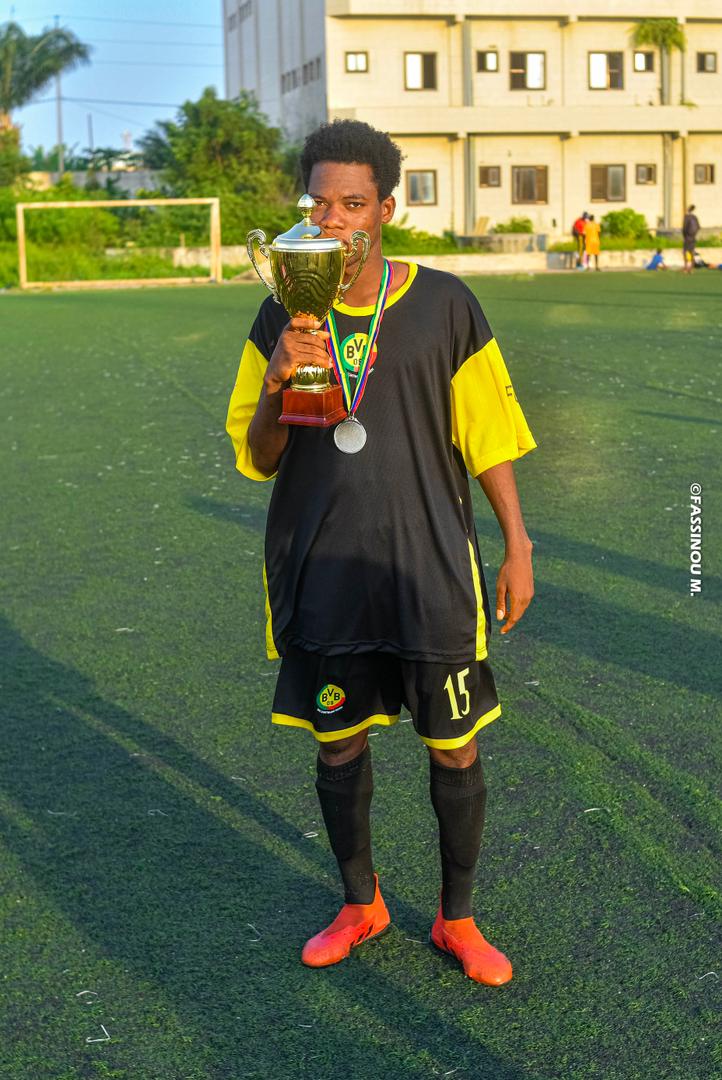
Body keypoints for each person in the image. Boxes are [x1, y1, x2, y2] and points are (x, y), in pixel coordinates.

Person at [226, 120, 537, 987]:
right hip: (323, 568)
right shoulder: (281, 309)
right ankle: (360, 904)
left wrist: (517, 543)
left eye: (353, 203)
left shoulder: (444, 304)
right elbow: (261, 455)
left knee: (455, 747)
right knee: (337, 745)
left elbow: (489, 437)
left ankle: (457, 919)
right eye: (319, 202)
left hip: (428, 568)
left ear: (386, 210)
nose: (333, 218)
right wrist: (279, 378)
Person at [682, 205, 700, 275]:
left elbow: (684, 228)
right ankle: (691, 269)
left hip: (687, 237)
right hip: (693, 238)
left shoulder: (686, 217)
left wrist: (684, 236)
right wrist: (694, 235)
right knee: (691, 252)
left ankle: (686, 269)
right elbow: (698, 227)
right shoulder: (695, 217)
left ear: (688, 209)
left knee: (685, 252)